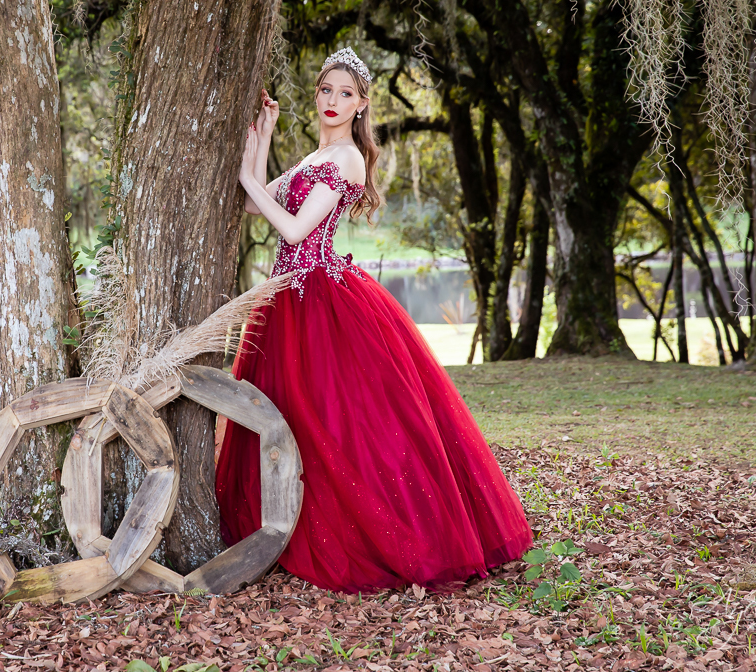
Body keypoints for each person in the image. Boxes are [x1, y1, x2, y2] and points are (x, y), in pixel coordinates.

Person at [215, 47, 533, 594]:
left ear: (362, 106)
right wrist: (261, 136)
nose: (332, 101)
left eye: (345, 94)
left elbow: (292, 232)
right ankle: (280, 529)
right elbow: (253, 204)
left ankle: (383, 537)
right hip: (285, 298)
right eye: (325, 90)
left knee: (340, 423)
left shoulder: (348, 162)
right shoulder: (315, 157)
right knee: (288, 417)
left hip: (321, 299)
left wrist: (247, 174)